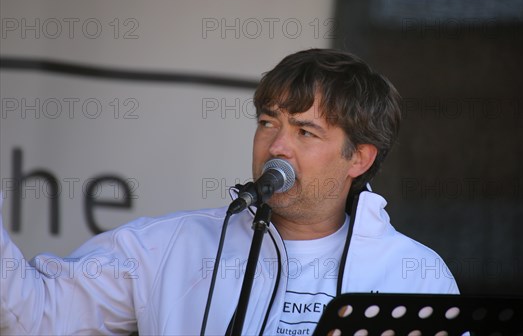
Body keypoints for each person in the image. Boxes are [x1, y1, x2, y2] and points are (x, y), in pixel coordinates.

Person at [1, 49, 459, 335]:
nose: (276, 146)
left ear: (359, 158)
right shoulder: (169, 247)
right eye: (267, 123)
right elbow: (36, 315)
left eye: (305, 132)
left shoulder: (413, 274)